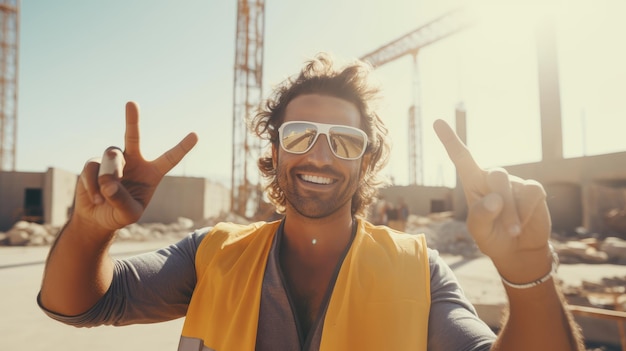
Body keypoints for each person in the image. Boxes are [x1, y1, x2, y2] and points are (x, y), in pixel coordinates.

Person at [38, 53, 585, 350]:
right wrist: (90, 229)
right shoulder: (211, 254)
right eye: (300, 136)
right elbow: (79, 305)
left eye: (344, 142)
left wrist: (528, 277)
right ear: (273, 151)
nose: (320, 157)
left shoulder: (419, 270)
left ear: (365, 162)